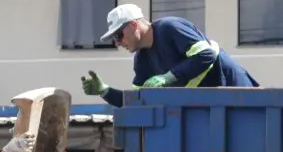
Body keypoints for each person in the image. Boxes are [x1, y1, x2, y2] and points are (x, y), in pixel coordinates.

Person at [81, 6, 259, 107]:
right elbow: (138, 102)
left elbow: (206, 54)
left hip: (238, 94)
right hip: (213, 106)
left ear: (134, 25)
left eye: (118, 36)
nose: (117, 43)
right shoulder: (142, 61)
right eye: (114, 39)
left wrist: (168, 77)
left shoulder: (170, 28)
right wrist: (104, 91)